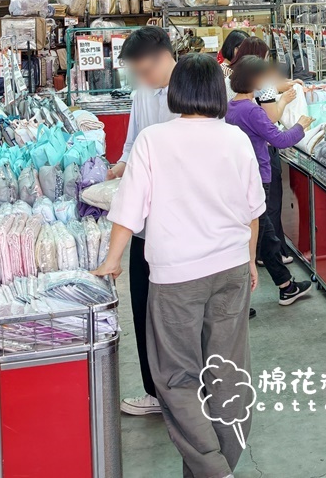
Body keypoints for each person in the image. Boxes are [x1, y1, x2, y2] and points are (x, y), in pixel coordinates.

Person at [94, 53, 265, 478]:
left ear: (176, 92)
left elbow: (128, 209)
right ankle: (219, 462)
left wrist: (112, 262)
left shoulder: (155, 140)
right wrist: (249, 261)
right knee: (227, 372)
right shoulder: (236, 139)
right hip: (230, 270)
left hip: (176, 277)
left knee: (176, 379)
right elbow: (253, 211)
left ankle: (212, 469)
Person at [105, 26, 178, 417]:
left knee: (177, 314)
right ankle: (154, 391)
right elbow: (133, 141)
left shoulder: (192, 89)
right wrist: (118, 167)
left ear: (165, 55)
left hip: (179, 224)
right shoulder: (141, 93)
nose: (143, 78)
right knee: (143, 306)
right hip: (145, 224)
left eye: (145, 69)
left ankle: (185, 393)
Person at [226, 55, 314, 305]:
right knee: (264, 234)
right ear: (254, 80)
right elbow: (280, 140)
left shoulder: (232, 107)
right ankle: (280, 288)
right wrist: (301, 126)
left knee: (265, 237)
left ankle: (286, 285)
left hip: (242, 177)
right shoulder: (252, 111)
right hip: (258, 178)